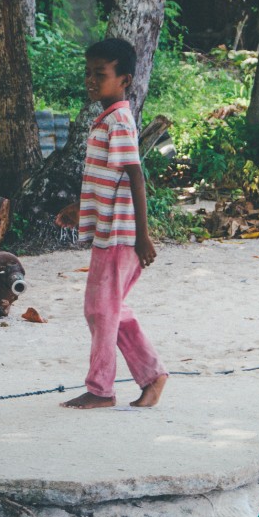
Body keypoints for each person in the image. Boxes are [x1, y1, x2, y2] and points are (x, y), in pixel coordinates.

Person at [61, 36, 170, 410]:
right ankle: (153, 377)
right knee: (111, 309)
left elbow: (135, 175)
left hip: (121, 236)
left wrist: (143, 236)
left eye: (100, 74)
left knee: (100, 310)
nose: (91, 80)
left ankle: (101, 389)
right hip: (110, 232)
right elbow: (106, 178)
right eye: (88, 73)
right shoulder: (106, 120)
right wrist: (80, 208)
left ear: (124, 80)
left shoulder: (119, 122)